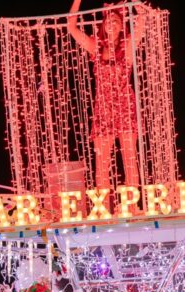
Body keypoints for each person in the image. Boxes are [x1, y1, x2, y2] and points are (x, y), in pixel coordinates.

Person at [67, 0, 147, 188]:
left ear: (122, 26)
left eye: (117, 21)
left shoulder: (127, 47)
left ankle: (131, 203)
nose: (112, 23)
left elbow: (142, 21)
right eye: (109, 20)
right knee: (101, 163)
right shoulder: (95, 47)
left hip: (125, 106)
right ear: (103, 25)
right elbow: (71, 27)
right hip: (103, 109)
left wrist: (136, 3)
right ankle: (102, 204)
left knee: (129, 158)